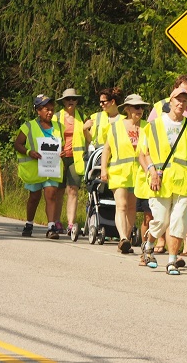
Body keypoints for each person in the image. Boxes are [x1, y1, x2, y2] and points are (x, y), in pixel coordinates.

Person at [138, 86, 187, 275]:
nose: (181, 103)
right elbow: (144, 154)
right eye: (178, 99)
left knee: (179, 222)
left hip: (185, 181)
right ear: (170, 101)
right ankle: (149, 245)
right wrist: (152, 171)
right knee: (160, 220)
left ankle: (171, 261)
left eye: (185, 100)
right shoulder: (153, 126)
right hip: (160, 180)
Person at [100, 94, 149, 254]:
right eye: (136, 107)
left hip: (139, 173)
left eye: (141, 107)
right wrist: (103, 169)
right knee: (121, 205)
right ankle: (123, 238)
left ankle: (125, 241)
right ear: (127, 109)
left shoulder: (146, 127)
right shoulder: (116, 127)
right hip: (119, 171)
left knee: (132, 207)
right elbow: (106, 149)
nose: (139, 110)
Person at [13, 94, 64, 239]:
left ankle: (51, 227)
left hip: (51, 167)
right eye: (46, 109)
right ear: (38, 110)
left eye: (52, 109)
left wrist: (64, 152)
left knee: (51, 194)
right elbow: (17, 144)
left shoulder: (59, 126)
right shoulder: (28, 126)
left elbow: (63, 146)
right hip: (35, 170)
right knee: (34, 197)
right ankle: (29, 223)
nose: (50, 112)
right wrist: (29, 152)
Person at [53, 88, 91, 235]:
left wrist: (86, 128)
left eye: (73, 99)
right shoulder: (56, 117)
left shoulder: (82, 117)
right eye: (68, 99)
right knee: (58, 191)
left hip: (76, 158)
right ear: (63, 101)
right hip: (58, 158)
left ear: (76, 101)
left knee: (73, 190)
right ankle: (56, 221)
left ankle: (70, 223)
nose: (70, 101)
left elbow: (90, 139)